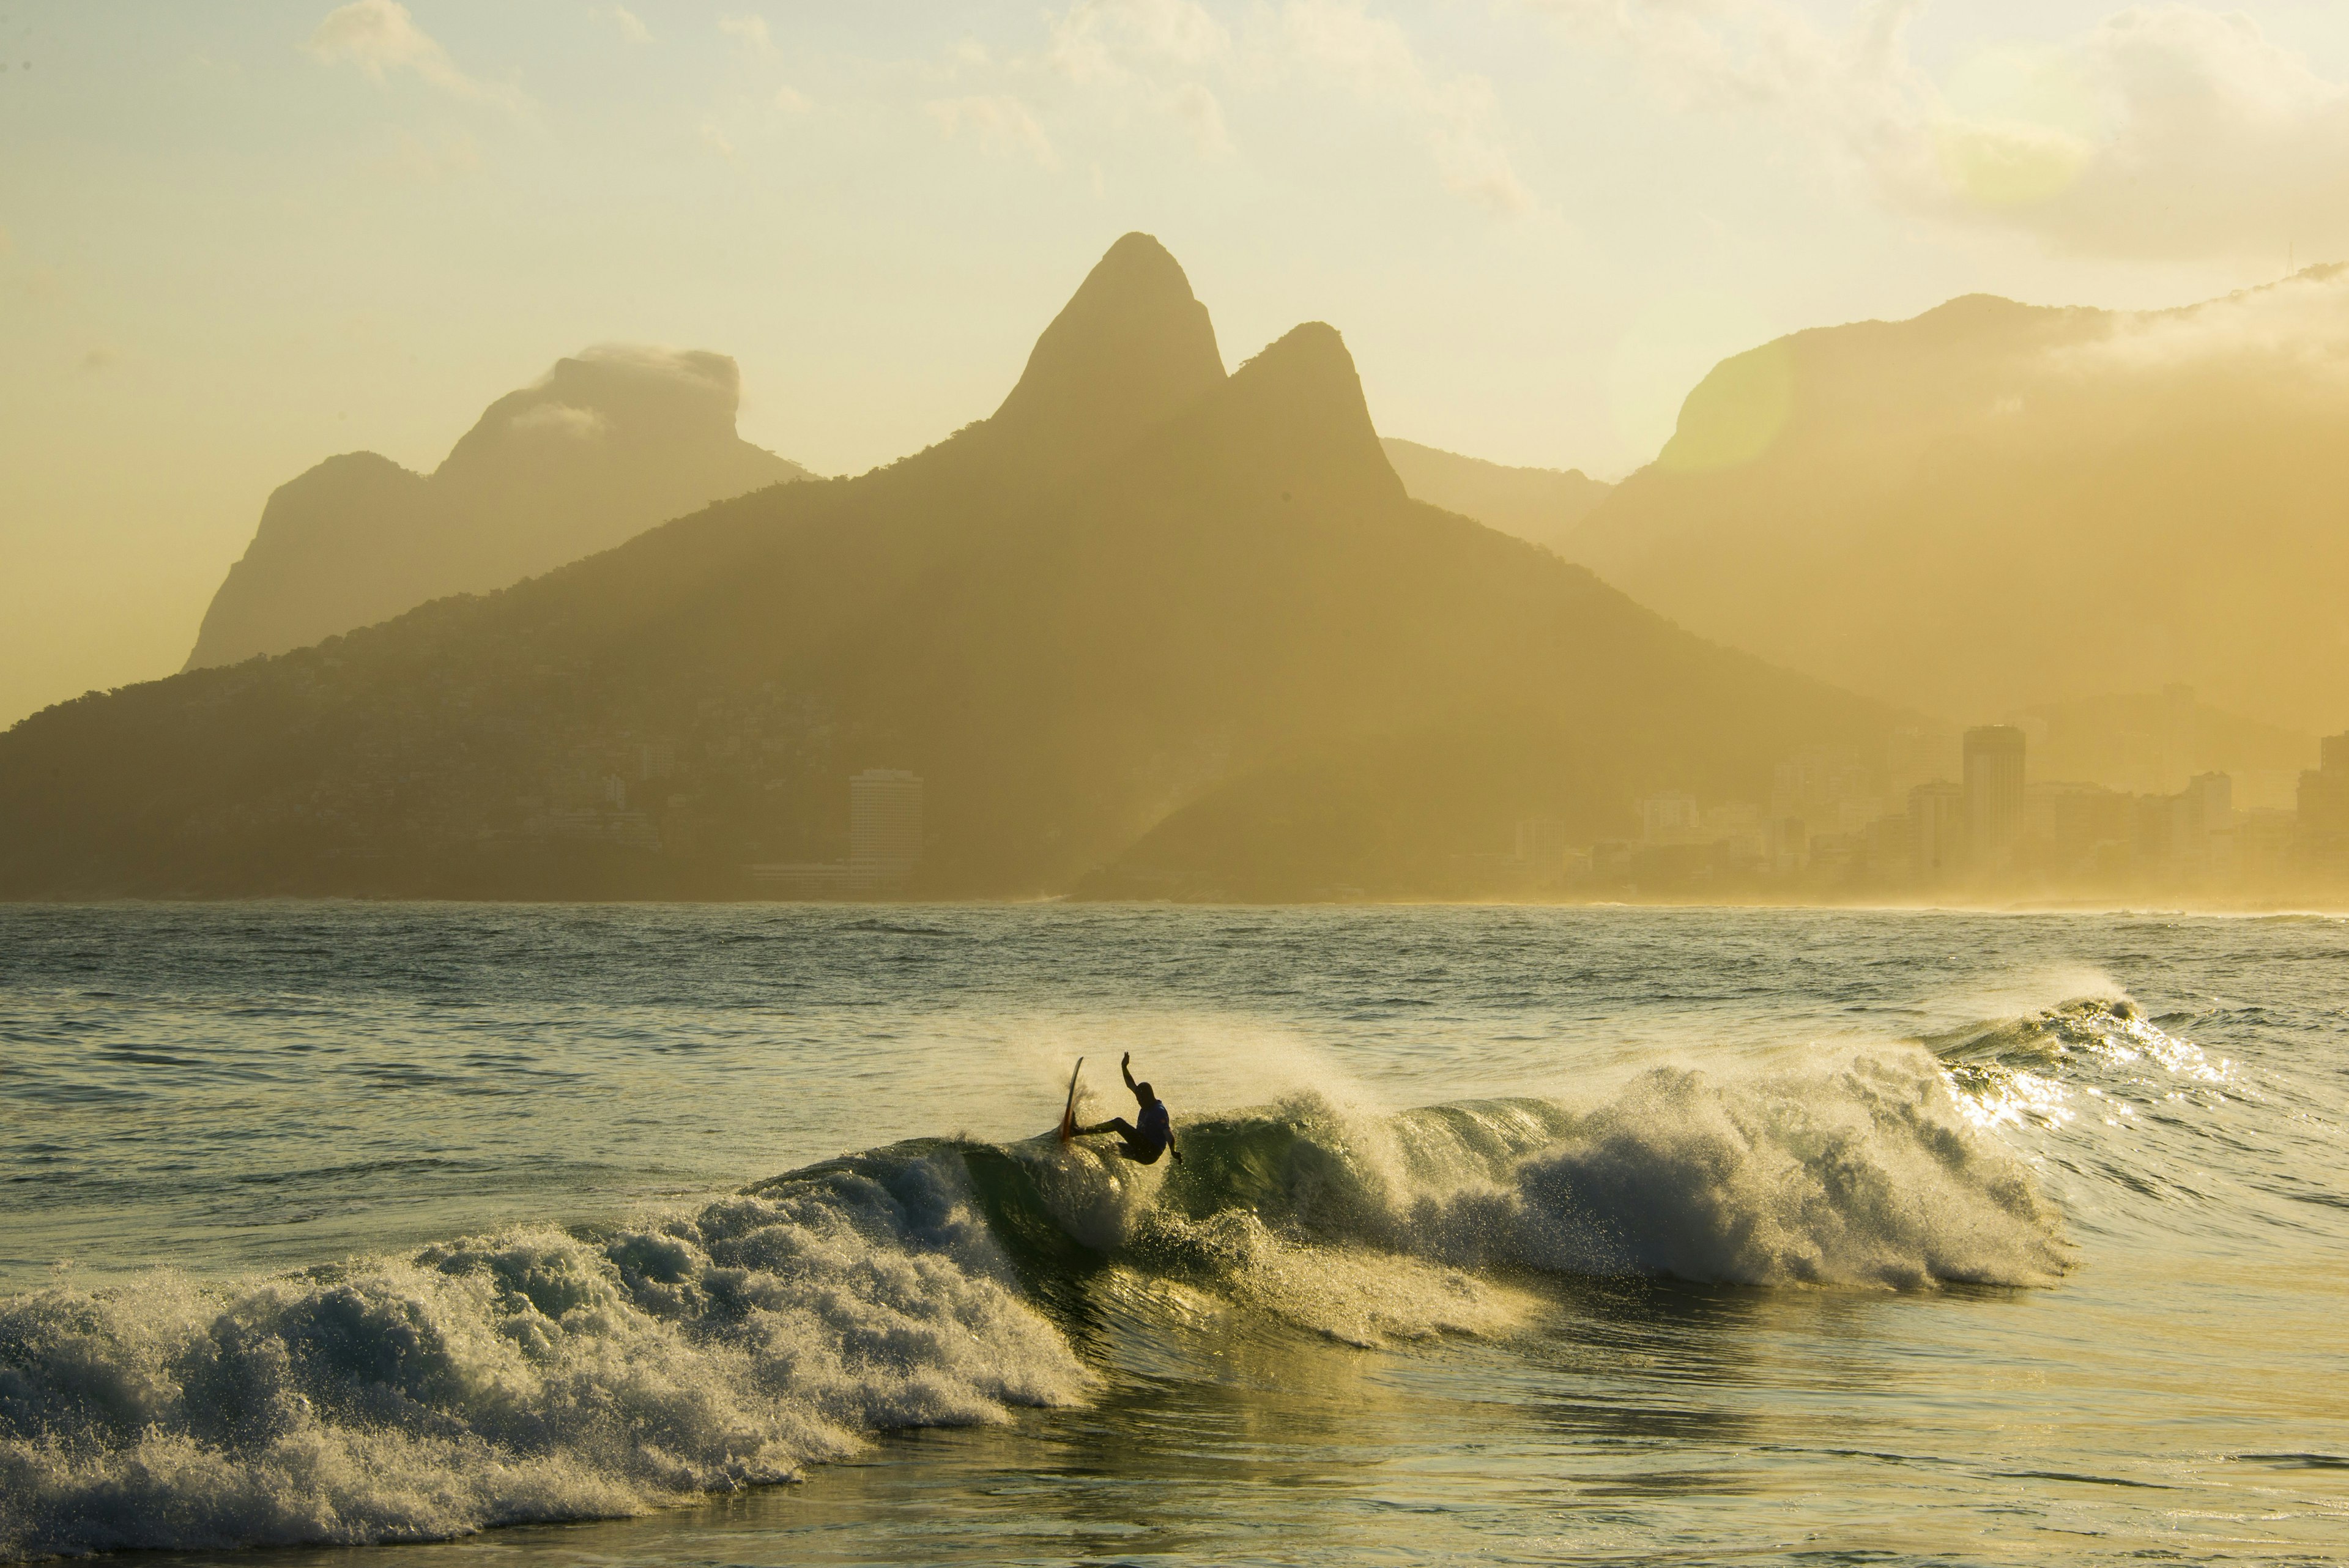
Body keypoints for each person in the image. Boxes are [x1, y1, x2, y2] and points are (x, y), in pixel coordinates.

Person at [1073, 1052, 1181, 1165]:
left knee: (1118, 1123)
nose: (1138, 1102)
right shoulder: (1145, 1100)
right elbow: (1130, 1084)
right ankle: (1088, 1161)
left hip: (1150, 1151)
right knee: (1110, 1149)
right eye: (1138, 1099)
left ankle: (1079, 1131)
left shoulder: (1158, 1111)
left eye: (1140, 1100)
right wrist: (1124, 1067)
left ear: (1148, 1097)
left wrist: (1173, 1152)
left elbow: (1169, 1134)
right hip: (1141, 1151)